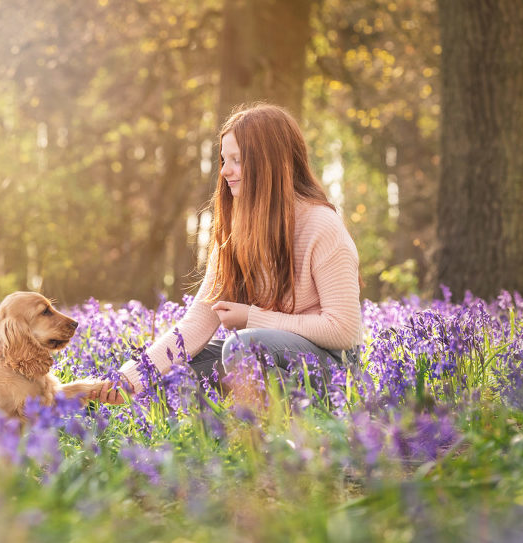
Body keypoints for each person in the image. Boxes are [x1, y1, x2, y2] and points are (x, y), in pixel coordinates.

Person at [93, 103, 361, 404]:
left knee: (243, 347)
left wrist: (253, 317)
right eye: (223, 159)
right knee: (173, 376)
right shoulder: (236, 231)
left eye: (236, 160)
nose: (224, 171)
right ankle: (213, 442)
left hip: (332, 371)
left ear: (269, 163)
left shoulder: (321, 225)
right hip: (263, 356)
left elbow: (343, 330)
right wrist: (129, 379)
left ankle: (268, 441)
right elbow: (194, 326)